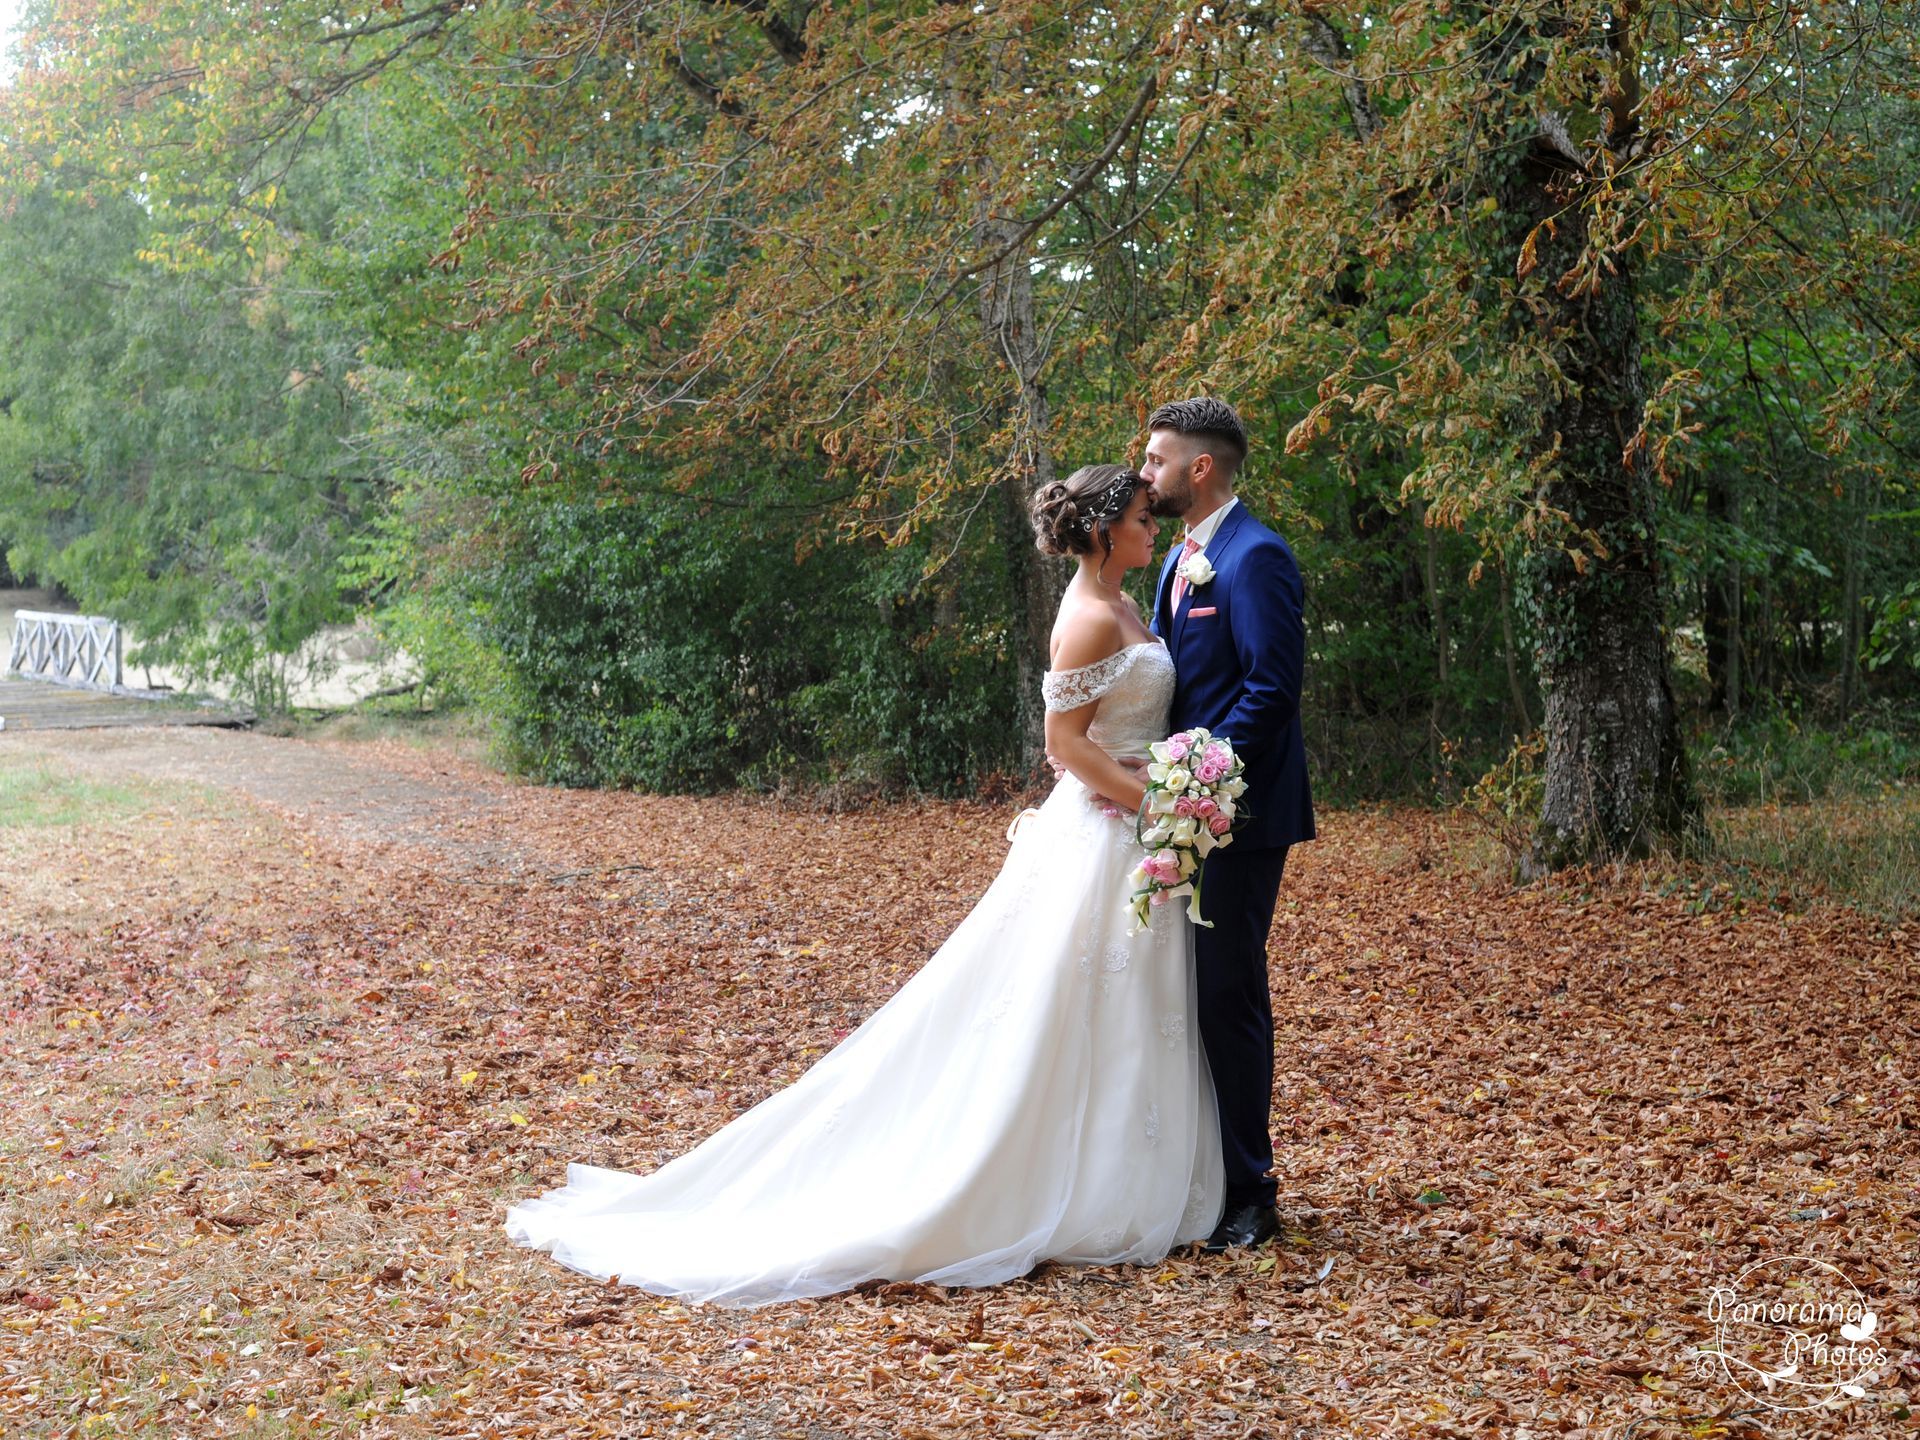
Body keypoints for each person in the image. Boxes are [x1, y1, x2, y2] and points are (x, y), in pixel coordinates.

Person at [503, 464, 1224, 1307]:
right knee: (1067, 1009)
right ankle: (1049, 1182)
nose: (1153, 526)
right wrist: (1160, 803)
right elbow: (1064, 746)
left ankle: (1124, 1171)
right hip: (1107, 831)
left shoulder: (1132, 598)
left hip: (1129, 835)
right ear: (1104, 531)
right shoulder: (1092, 618)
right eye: (1142, 517)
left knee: (1124, 1010)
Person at [1141, 397, 1314, 1252]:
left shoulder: (1257, 558)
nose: (1146, 472)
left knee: (1228, 992)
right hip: (1183, 812)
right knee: (1186, 992)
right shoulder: (1179, 560)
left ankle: (1253, 1191)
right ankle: (1201, 1173)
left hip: (1239, 815)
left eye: (1157, 459)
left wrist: (1200, 779)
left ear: (1198, 468)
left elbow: (1271, 691)